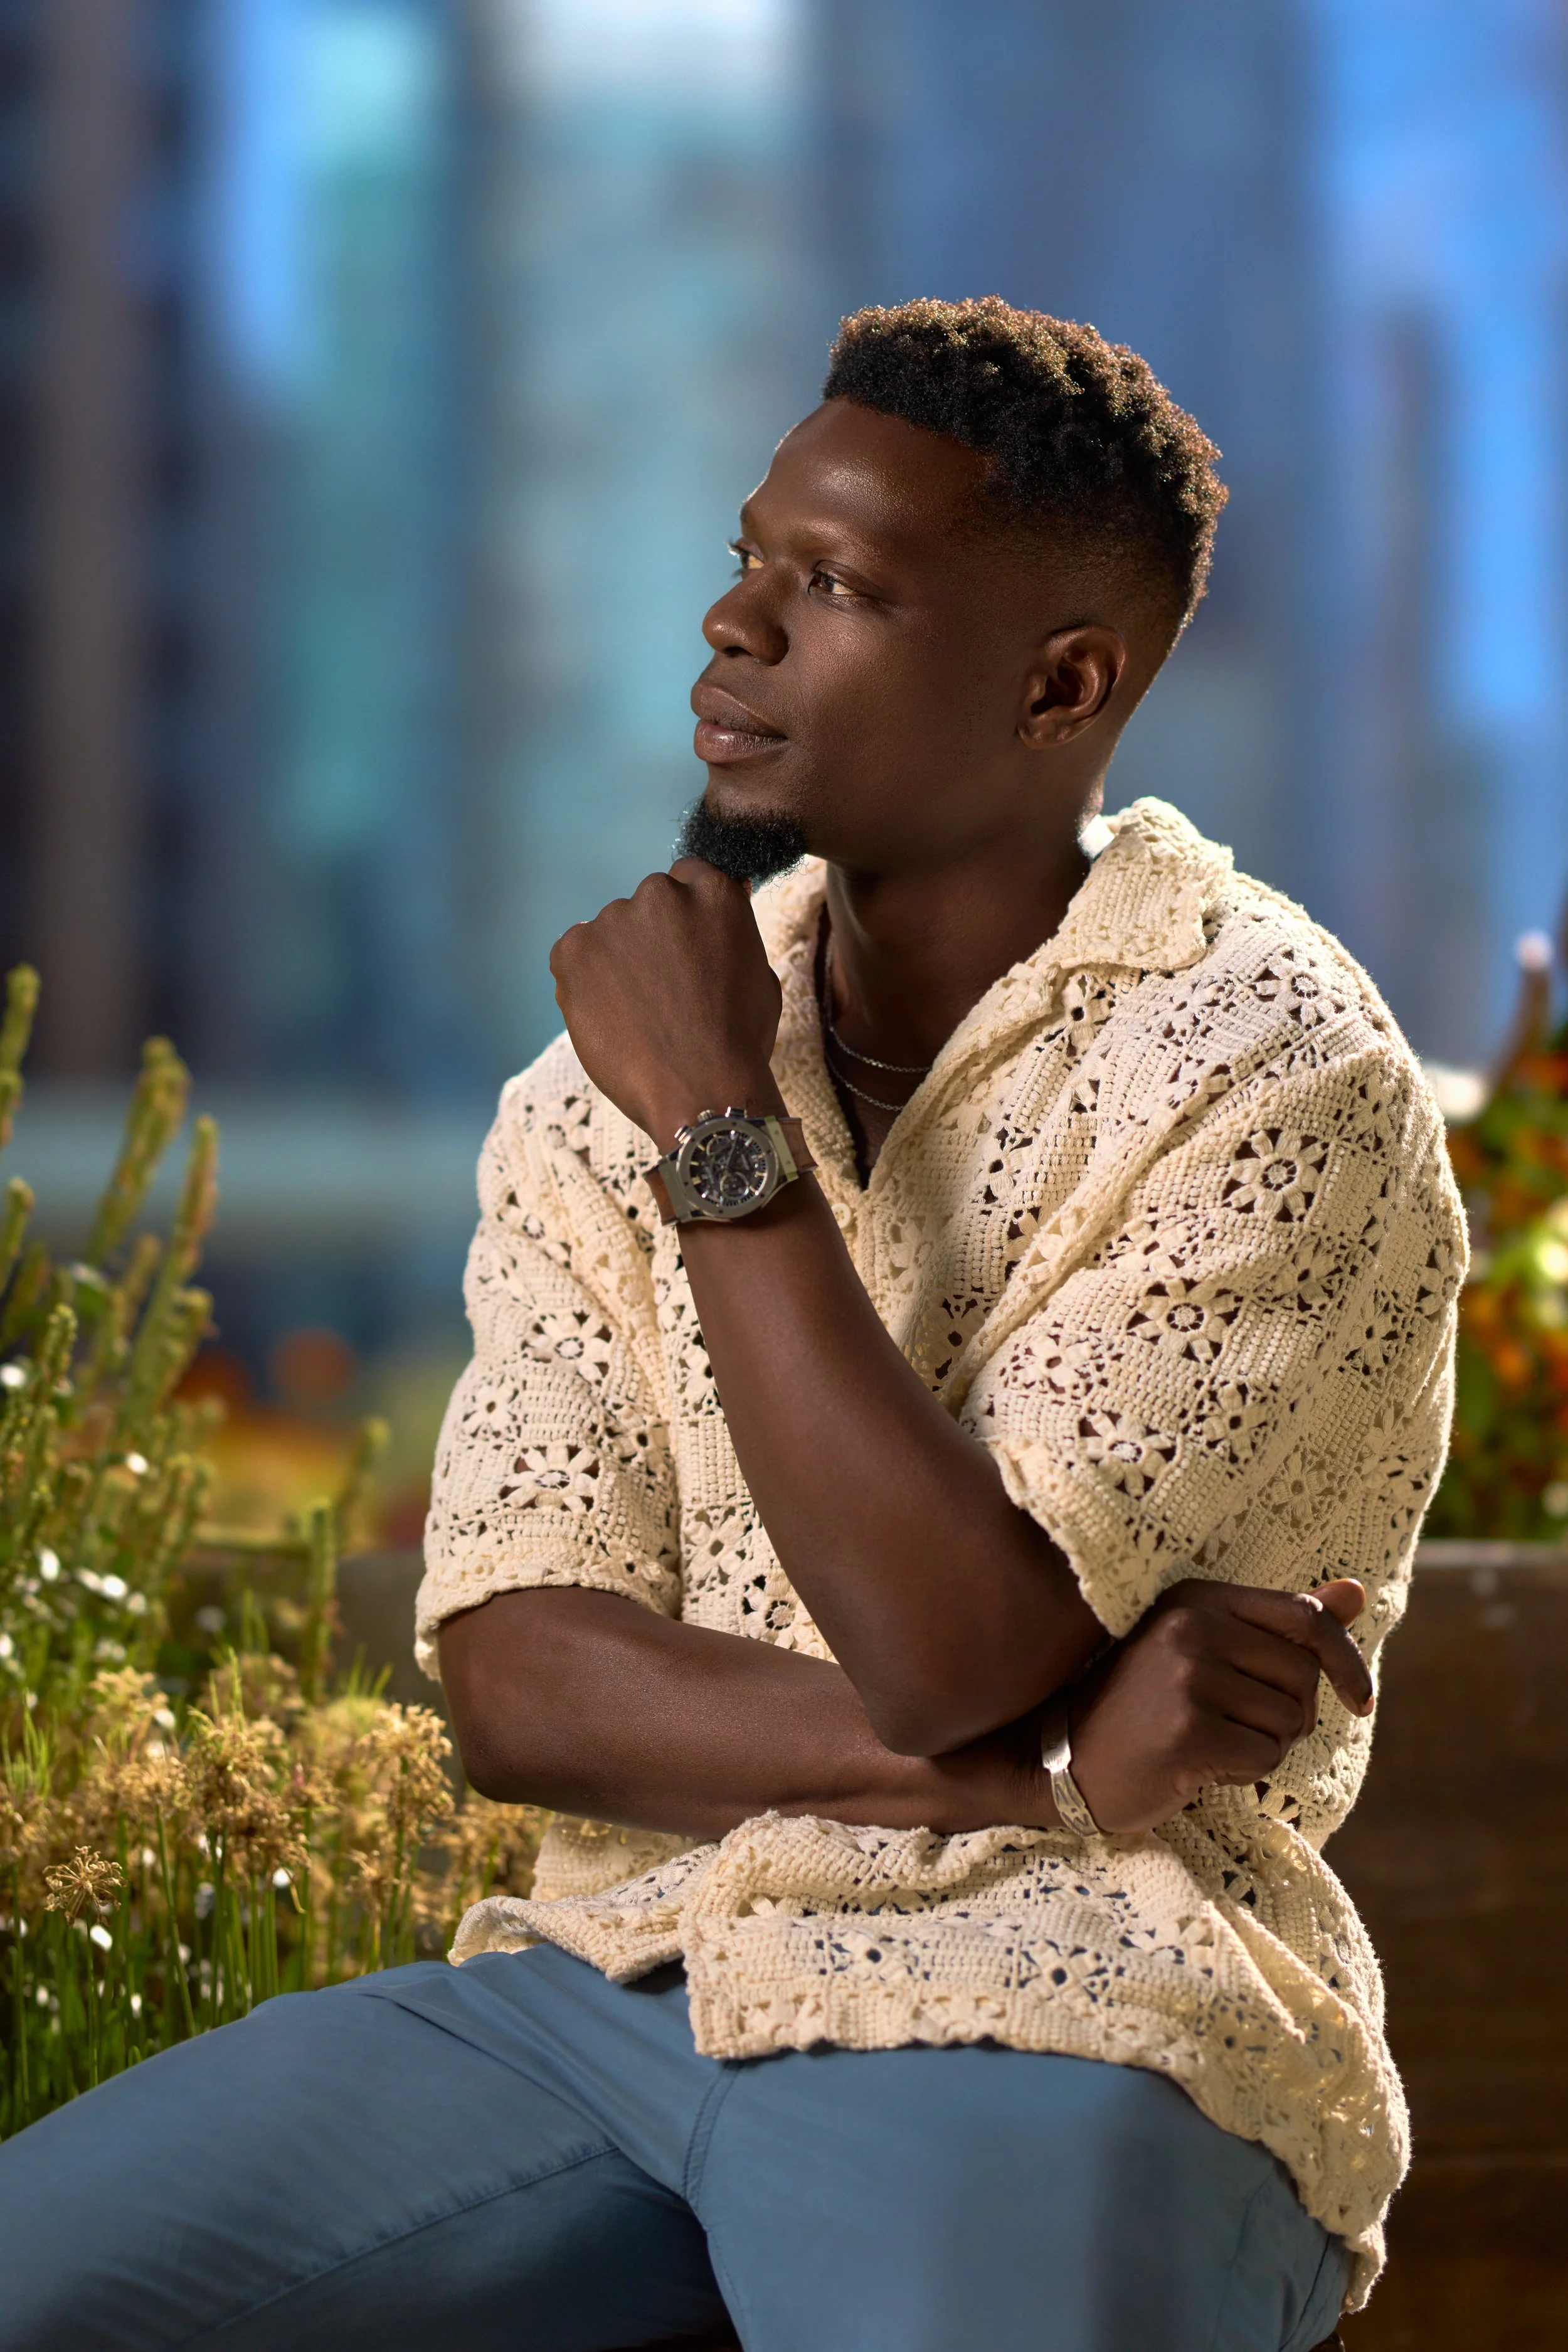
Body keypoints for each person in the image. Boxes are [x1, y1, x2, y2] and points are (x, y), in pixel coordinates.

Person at [0, 299, 1463, 2352]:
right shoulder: (589, 1069)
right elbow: (522, 1674)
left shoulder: (1266, 1071)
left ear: (1061, 686)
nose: (733, 629)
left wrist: (717, 1131)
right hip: (611, 1981)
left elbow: (951, 1637)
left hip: (1075, 1990)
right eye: (748, 556)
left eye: (836, 586)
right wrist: (1051, 1754)